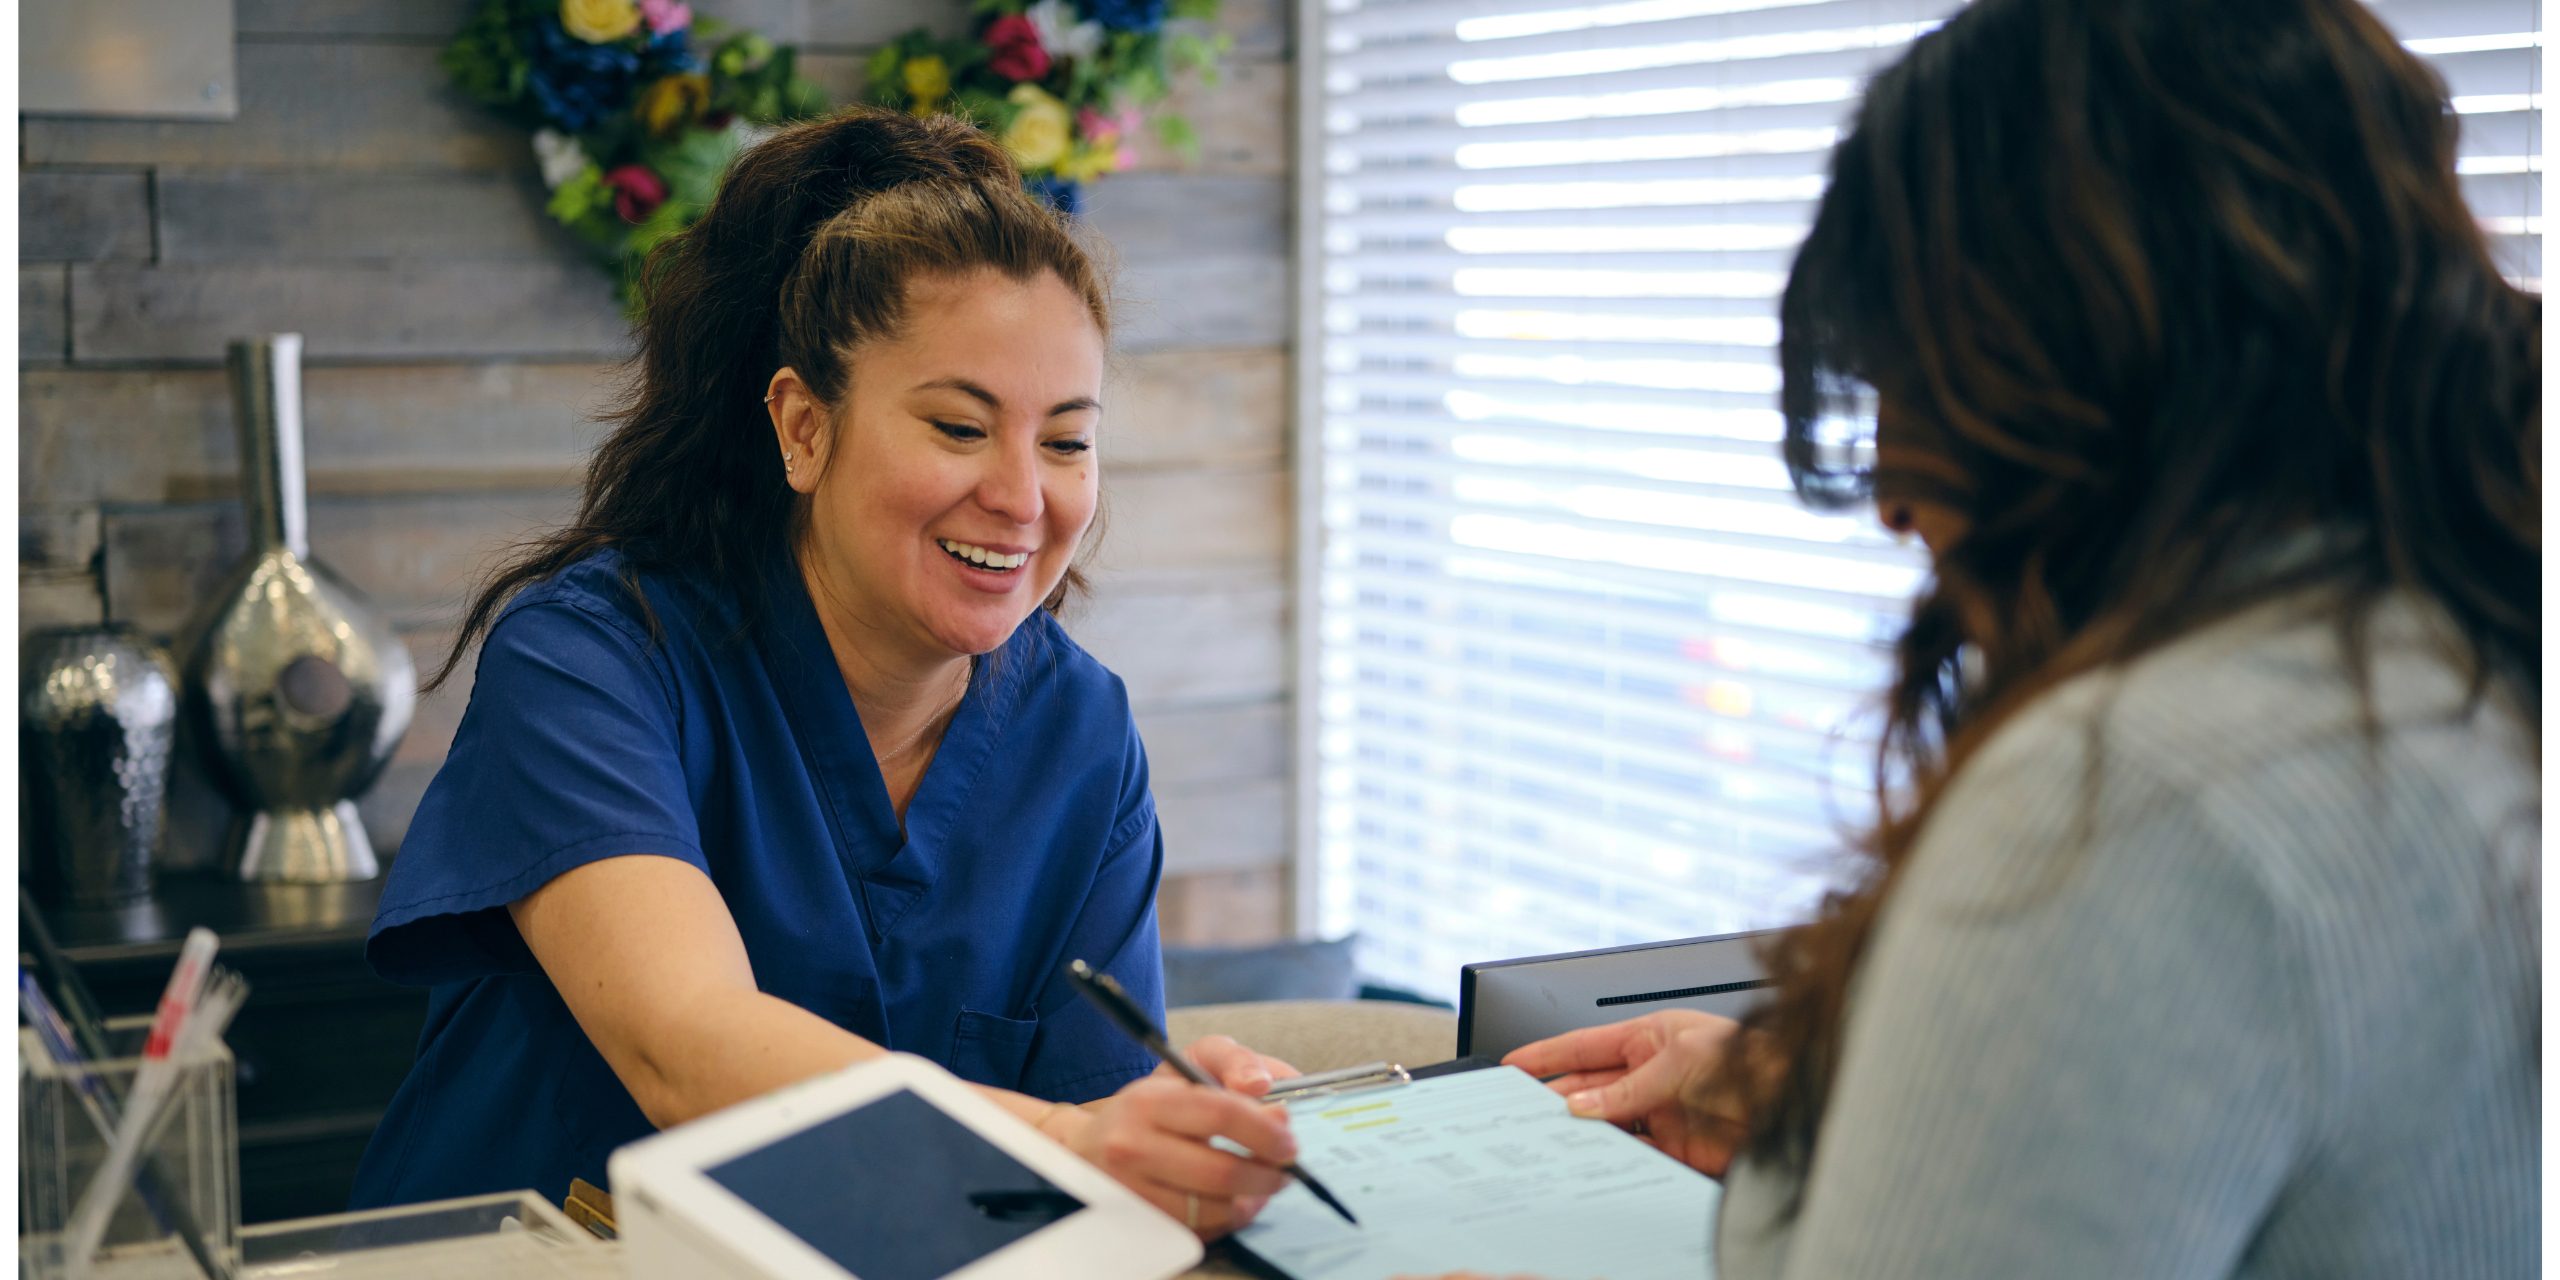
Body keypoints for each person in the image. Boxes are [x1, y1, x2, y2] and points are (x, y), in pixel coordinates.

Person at [1416, 0, 2539, 1275]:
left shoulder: (2132, 796)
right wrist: (1825, 1106)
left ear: (2061, 353)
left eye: (1906, 366)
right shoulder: (2471, 659)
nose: (1891, 493)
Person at [348, 107, 1299, 1239]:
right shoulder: (595, 660)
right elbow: (684, 1042)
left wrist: (1178, 1133)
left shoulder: (1079, 732)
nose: (1021, 496)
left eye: (1065, 440)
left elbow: (1096, 1146)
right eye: (957, 425)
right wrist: (1067, 1142)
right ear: (803, 427)